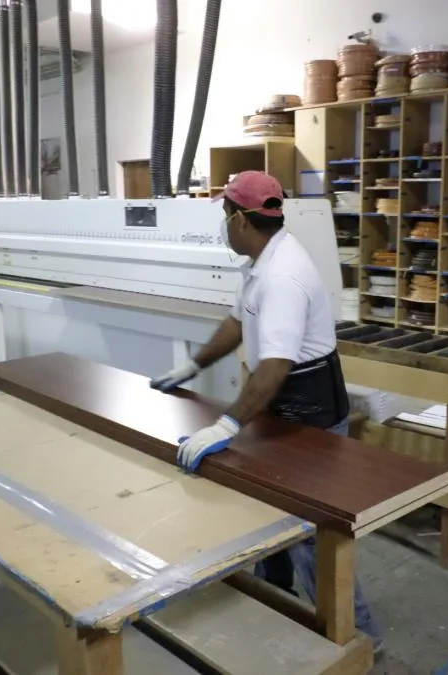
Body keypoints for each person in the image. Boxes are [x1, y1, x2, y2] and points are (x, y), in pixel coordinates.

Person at [150, 170, 381, 649]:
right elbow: (239, 321)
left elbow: (274, 367)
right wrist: (193, 364)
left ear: (240, 220)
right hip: (284, 406)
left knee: (310, 531)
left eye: (224, 215)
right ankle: (274, 603)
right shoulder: (264, 261)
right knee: (267, 512)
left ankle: (360, 635)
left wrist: (226, 425)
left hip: (309, 410)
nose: (222, 225)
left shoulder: (282, 276)